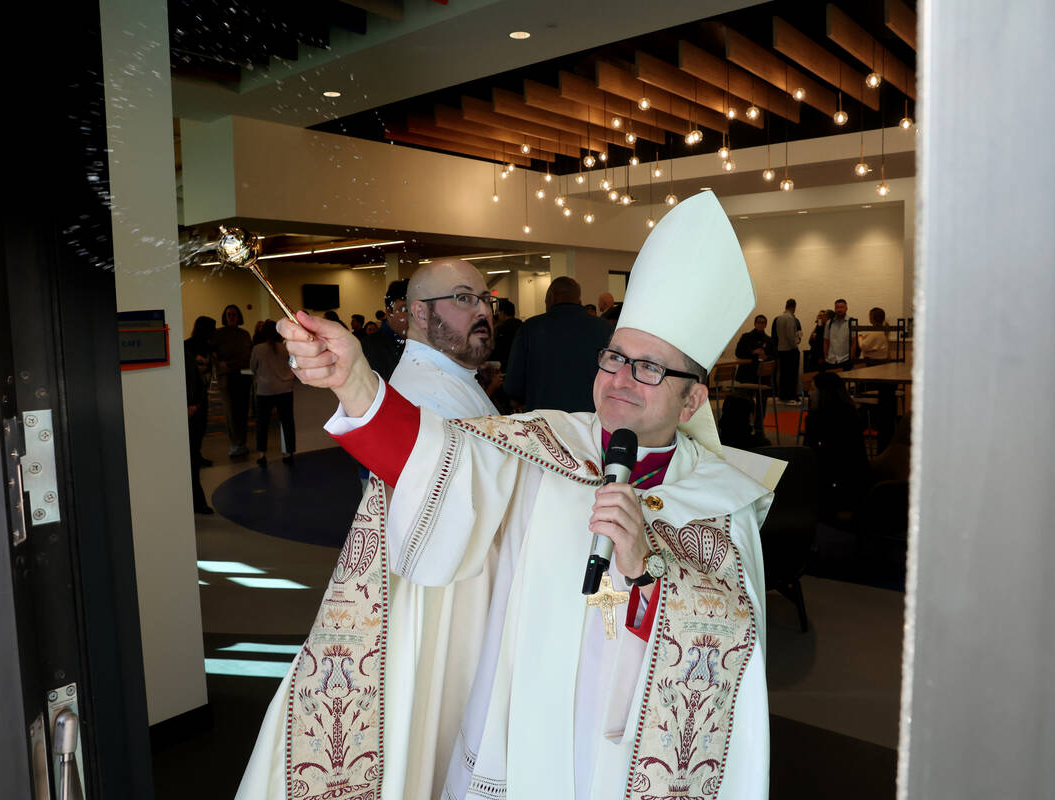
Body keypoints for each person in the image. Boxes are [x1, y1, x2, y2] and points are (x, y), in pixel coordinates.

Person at [239, 191, 772, 800]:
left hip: (623, 760)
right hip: (514, 739)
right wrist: (356, 383)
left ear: (693, 399)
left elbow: (731, 645)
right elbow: (436, 461)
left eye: (650, 368)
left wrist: (645, 571)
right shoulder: (541, 446)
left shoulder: (722, 503)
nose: (621, 379)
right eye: (615, 357)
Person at [504, 276, 613, 412]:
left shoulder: (530, 328)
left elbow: (513, 386)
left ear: (550, 297)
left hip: (544, 423)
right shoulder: (604, 328)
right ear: (578, 299)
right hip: (592, 421)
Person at [804, 370, 870, 518]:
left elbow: (817, 457)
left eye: (813, 389)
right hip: (855, 487)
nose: (809, 393)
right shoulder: (851, 415)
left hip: (835, 489)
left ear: (824, 393)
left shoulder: (818, 419)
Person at [249, 321, 297, 467]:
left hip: (265, 390)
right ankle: (288, 453)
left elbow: (253, 368)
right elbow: (294, 365)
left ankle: (262, 455)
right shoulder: (286, 348)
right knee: (287, 421)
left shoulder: (258, 349)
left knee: (262, 423)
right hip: (285, 389)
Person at [212, 303, 253, 458]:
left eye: (234, 314)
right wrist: (219, 364)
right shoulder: (218, 334)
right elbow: (211, 354)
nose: (231, 317)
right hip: (227, 378)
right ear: (225, 317)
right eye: (229, 314)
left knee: (243, 411)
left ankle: (242, 442)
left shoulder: (245, 334)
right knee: (231, 412)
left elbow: (250, 353)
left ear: (239, 317)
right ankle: (235, 444)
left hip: (244, 377)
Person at [184, 316, 216, 513]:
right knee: (192, 454)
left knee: (194, 452)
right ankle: (197, 501)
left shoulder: (206, 347)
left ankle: (196, 500)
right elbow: (190, 378)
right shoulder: (188, 348)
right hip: (194, 406)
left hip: (198, 404)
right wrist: (192, 403)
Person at [362, 279, 409, 379]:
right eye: (405, 310)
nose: (414, 316)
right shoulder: (369, 348)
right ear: (389, 312)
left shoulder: (428, 343)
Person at [772, 299, 803, 403]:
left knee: (783, 375)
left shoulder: (779, 318)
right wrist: (795, 345)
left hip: (781, 349)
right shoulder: (790, 318)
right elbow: (790, 335)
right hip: (790, 350)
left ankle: (782, 395)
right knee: (791, 374)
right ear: (794, 306)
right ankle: (790, 395)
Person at [822, 298, 856, 371]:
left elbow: (854, 342)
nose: (839, 310)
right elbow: (826, 341)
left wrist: (851, 359)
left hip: (845, 359)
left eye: (841, 307)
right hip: (831, 360)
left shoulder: (851, 322)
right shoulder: (829, 323)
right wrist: (825, 357)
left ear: (846, 308)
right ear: (834, 309)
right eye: (837, 307)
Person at [488, 297, 521, 370]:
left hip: (504, 367)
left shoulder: (501, 329)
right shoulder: (522, 326)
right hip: (519, 365)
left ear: (502, 313)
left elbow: (496, 350)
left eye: (499, 312)